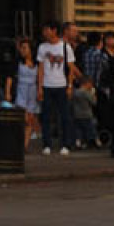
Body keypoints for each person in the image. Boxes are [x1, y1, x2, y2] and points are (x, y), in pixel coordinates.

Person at [36, 22, 75, 155]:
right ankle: (47, 144)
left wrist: (69, 86)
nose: (44, 32)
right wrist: (39, 87)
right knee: (46, 116)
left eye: (47, 29)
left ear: (54, 30)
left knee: (64, 116)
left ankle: (66, 144)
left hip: (61, 85)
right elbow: (40, 68)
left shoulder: (65, 46)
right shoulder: (42, 47)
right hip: (47, 85)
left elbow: (70, 69)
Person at [7, 39, 42, 149]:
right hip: (21, 90)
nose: (22, 50)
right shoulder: (17, 62)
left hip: (32, 91)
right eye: (21, 48)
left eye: (25, 48)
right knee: (24, 117)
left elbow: (40, 78)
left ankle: (24, 145)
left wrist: (40, 91)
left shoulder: (37, 63)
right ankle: (17, 140)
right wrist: (7, 92)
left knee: (30, 119)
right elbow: (10, 78)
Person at [72, 76, 98, 149]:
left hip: (77, 114)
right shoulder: (86, 92)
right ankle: (94, 142)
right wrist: (93, 94)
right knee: (91, 129)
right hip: (87, 115)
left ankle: (78, 143)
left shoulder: (75, 92)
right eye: (91, 84)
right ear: (87, 83)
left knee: (78, 130)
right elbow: (94, 102)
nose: (91, 85)